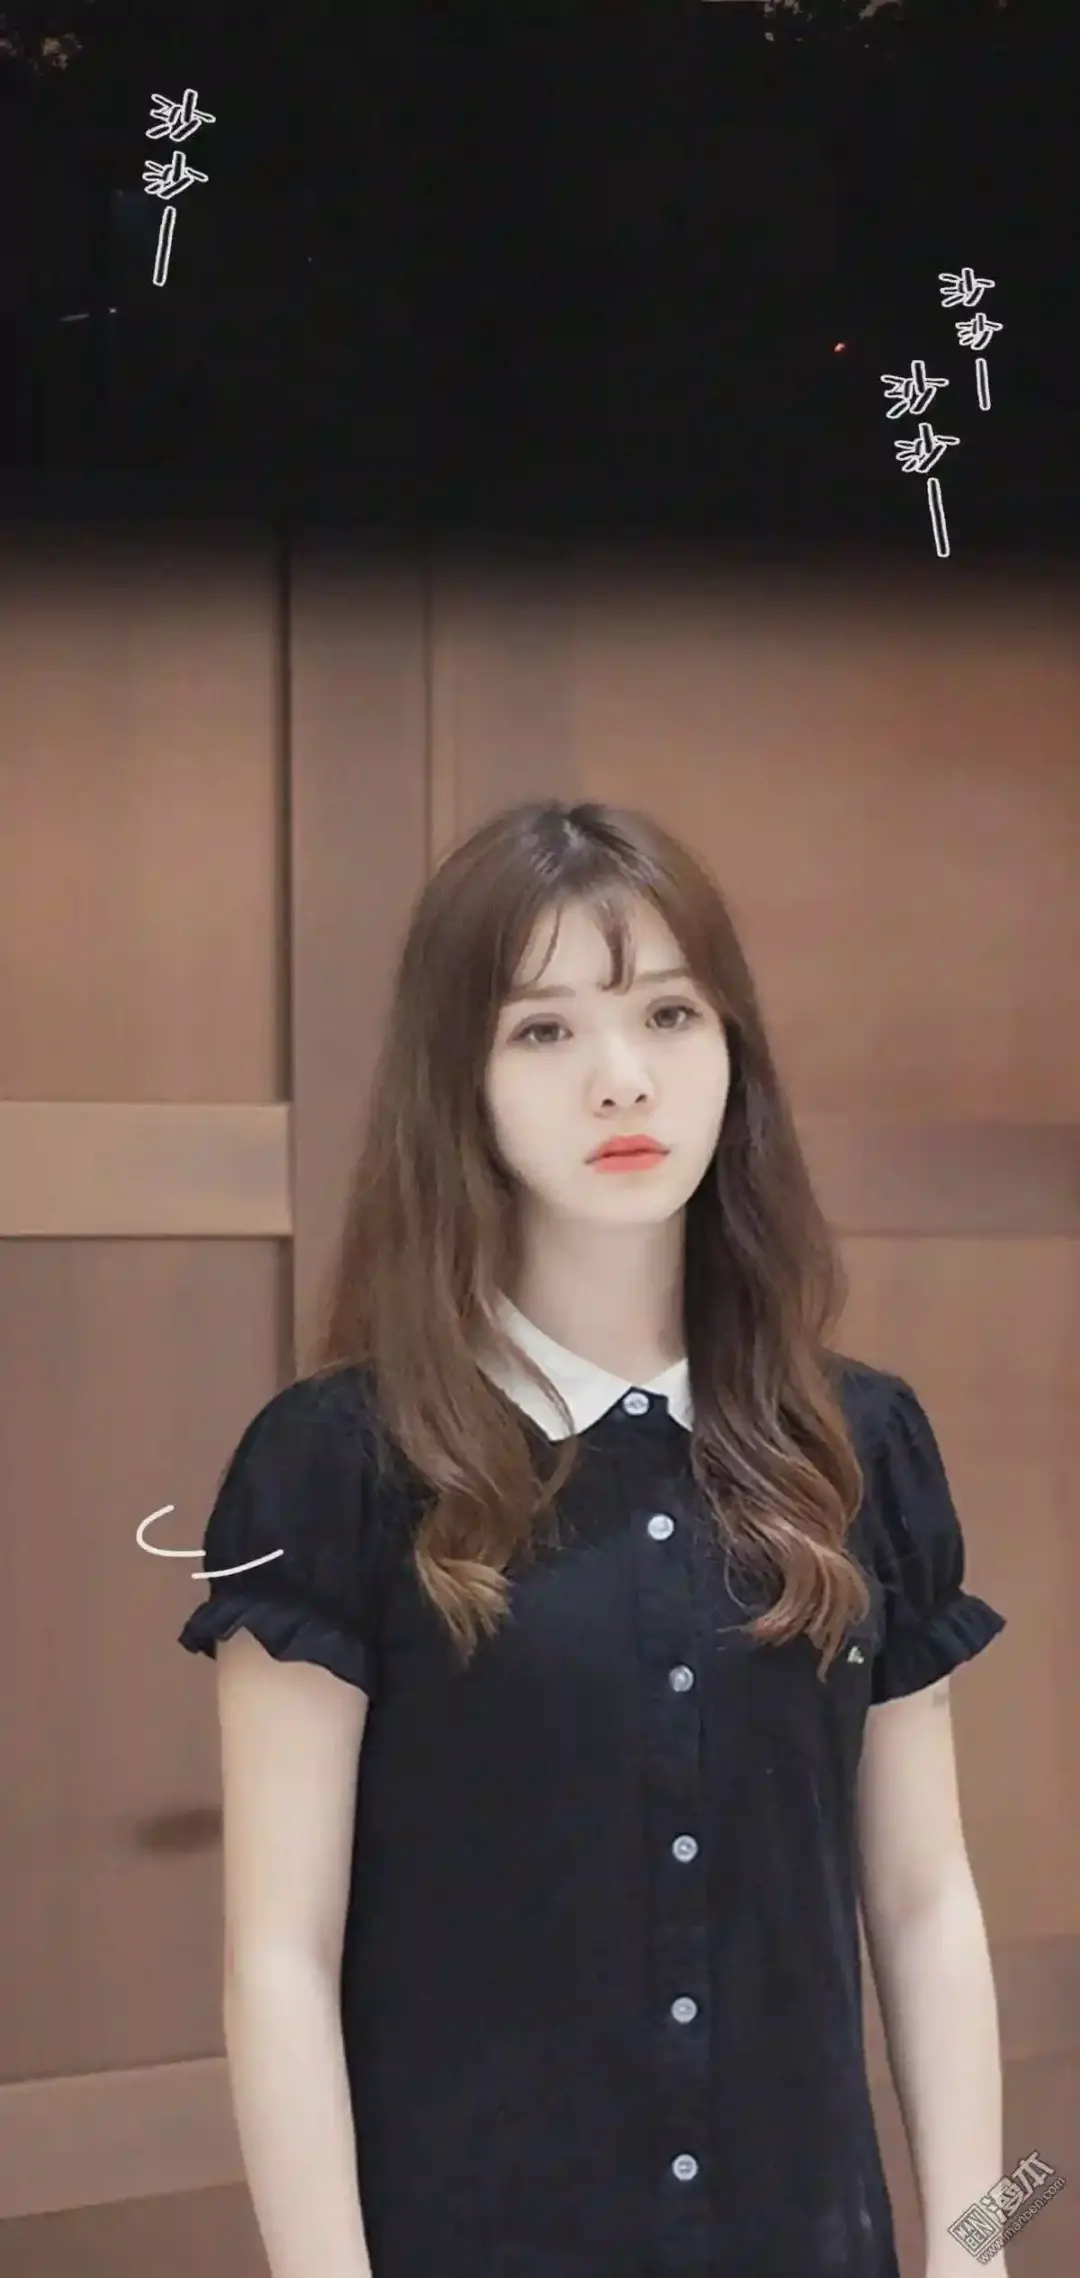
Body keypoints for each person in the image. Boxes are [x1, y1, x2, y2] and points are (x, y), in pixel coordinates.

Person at [179, 798, 1008, 2278]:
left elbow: (926, 1900)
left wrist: (983, 2242)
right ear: (461, 1081)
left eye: (669, 1014)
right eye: (544, 1029)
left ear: (733, 1049)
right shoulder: (333, 1466)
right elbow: (278, 1959)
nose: (622, 1077)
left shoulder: (863, 1443)